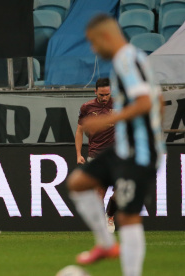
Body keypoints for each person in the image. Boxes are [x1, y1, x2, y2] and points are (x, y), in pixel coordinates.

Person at [67, 14, 165, 276]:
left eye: (93, 42)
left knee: (128, 216)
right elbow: (159, 99)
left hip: (139, 151)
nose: (93, 49)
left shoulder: (126, 60)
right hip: (125, 148)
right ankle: (107, 244)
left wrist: (108, 120)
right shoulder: (134, 58)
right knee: (78, 183)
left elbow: (145, 103)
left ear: (106, 36)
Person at [76, 77, 117, 233]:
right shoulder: (87, 107)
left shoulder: (119, 105)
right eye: (101, 95)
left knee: (120, 194)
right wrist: (78, 153)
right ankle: (102, 224)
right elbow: (79, 131)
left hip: (117, 155)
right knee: (99, 192)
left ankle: (110, 215)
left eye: (107, 94)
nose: (104, 98)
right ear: (95, 92)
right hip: (96, 154)